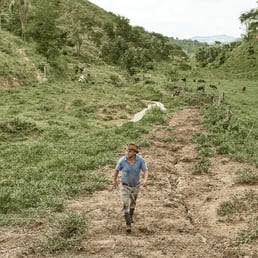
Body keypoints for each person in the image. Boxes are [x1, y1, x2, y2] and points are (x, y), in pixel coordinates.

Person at [113, 143, 149, 233]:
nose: (127, 152)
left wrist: (145, 180)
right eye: (126, 150)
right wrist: (114, 180)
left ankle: (131, 215)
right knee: (125, 204)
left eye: (129, 151)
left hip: (136, 185)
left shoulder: (140, 160)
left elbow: (145, 170)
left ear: (134, 153)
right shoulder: (122, 161)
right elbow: (116, 170)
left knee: (133, 203)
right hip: (124, 186)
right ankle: (128, 224)